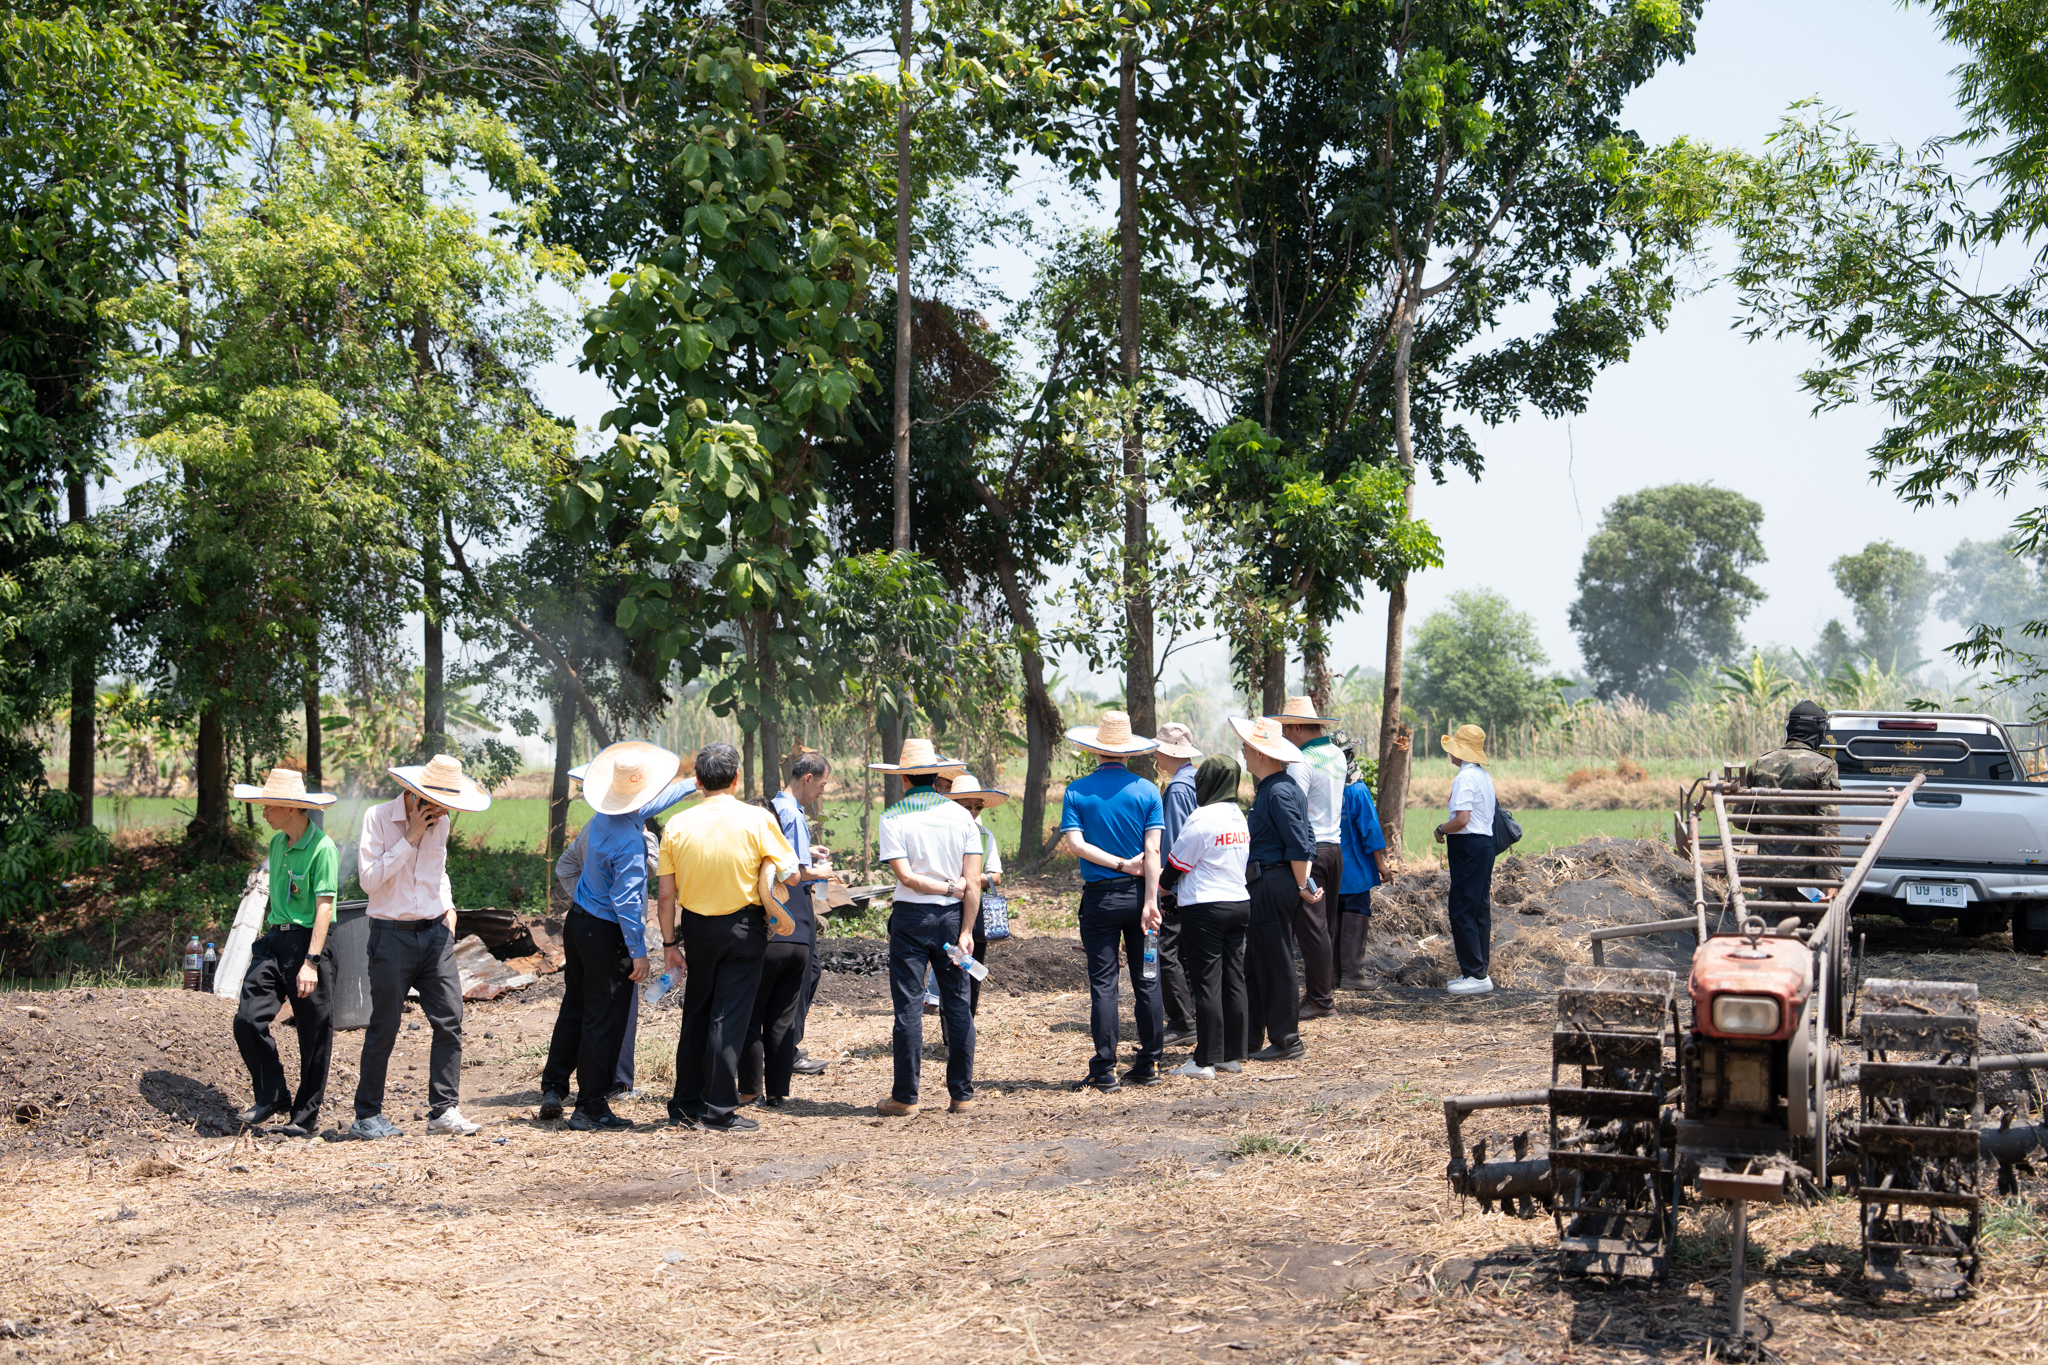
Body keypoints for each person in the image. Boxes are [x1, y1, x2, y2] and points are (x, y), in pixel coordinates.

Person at [541, 743, 692, 1131]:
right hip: (606, 933)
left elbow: (659, 799)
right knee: (602, 1019)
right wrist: (638, 952)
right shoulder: (629, 841)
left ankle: (568, 1091)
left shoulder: (607, 817)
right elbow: (628, 903)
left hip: (579, 923)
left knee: (581, 1006)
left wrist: (694, 783)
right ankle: (590, 1106)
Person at [657, 742, 798, 1134]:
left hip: (697, 928)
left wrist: (670, 945)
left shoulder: (677, 825)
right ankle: (719, 1109)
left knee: (697, 1013)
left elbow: (666, 895)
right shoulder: (757, 820)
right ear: (736, 779)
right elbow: (792, 876)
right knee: (728, 1016)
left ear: (698, 781)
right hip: (743, 928)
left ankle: (685, 1105)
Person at [352, 753, 491, 1139]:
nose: (443, 809)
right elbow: (369, 881)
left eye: (447, 802)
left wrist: (448, 909)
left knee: (450, 1018)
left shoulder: (442, 823)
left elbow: (437, 870)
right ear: (413, 793)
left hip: (435, 933)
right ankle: (367, 1115)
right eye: (436, 800)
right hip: (390, 934)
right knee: (385, 1024)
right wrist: (410, 836)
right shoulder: (378, 818)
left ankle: (443, 1111)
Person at [229, 767, 339, 1137]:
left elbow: (324, 907)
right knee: (247, 1019)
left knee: (314, 1033)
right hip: (276, 941)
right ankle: (273, 1094)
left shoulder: (322, 849)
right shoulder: (277, 845)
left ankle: (304, 1118)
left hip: (310, 943)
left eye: (268, 806)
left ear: (291, 809)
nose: (263, 812)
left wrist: (311, 961)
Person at [873, 739, 981, 1117]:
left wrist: (946, 887)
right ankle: (962, 1095)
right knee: (958, 1005)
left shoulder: (893, 817)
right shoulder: (961, 817)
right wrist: (967, 930)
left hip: (911, 920)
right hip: (953, 919)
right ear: (938, 776)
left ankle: (906, 1097)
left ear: (904, 778)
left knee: (908, 1007)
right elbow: (974, 883)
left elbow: (908, 877)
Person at [1059, 711, 1165, 1092]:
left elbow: (1077, 846)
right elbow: (1153, 850)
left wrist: (1117, 864)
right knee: (1147, 979)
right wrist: (1151, 899)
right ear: (1128, 753)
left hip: (1100, 900)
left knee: (1104, 985)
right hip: (1140, 898)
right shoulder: (1148, 791)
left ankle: (1105, 1069)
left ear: (1096, 750)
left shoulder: (1077, 790)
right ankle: (1150, 1062)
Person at [738, 751, 832, 1107]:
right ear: (807, 778)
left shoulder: (778, 810)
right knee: (779, 1013)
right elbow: (789, 871)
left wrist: (805, 854)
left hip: (775, 926)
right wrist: (815, 870)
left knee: (755, 1013)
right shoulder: (791, 812)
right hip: (792, 919)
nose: (821, 791)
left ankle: (749, 1090)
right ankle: (777, 1091)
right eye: (822, 784)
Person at [1233, 715, 1316, 1061]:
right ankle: (1249, 1038)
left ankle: (1286, 1039)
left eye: (1247, 748)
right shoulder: (1278, 787)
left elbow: (1300, 844)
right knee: (1255, 962)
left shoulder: (1279, 791)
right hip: (1267, 882)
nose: (1243, 753)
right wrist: (1303, 883)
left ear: (1262, 754)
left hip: (1273, 882)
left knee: (1277, 962)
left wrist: (1302, 885)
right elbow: (1306, 837)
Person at [1166, 756, 1251, 1080]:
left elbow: (1177, 864)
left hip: (1205, 907)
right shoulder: (1237, 815)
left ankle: (1203, 1061)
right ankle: (1231, 1055)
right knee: (1233, 978)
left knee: (1206, 982)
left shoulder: (1202, 817)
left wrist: (1160, 886)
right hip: (1239, 903)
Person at [1272, 697, 1345, 1020]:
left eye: (1286, 730)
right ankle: (1322, 992)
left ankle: (1320, 999)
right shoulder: (1337, 754)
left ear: (1297, 728)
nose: (1285, 737)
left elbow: (1293, 811)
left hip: (1310, 850)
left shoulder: (1302, 762)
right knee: (1324, 926)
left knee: (1311, 928)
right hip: (1334, 848)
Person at [1740, 700, 1842, 905]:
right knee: (1822, 926)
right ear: (1818, 731)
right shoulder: (1823, 765)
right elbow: (1827, 827)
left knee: (1767, 928)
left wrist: (1774, 826)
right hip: (1807, 872)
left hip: (1769, 870)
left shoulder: (1760, 763)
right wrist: (1831, 878)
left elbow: (1741, 818)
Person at [1433, 724, 1499, 996]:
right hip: (1484, 844)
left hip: (1467, 845)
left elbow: (1462, 820)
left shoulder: (1464, 778)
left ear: (1459, 752)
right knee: (1478, 907)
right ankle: (1478, 969)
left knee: (1461, 907)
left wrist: (1440, 828)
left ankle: (1475, 973)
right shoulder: (1483, 776)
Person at [1336, 732, 1401, 990]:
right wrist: (1381, 865)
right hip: (1355, 870)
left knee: (1332, 919)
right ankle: (1352, 975)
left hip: (1329, 870)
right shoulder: (1358, 790)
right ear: (1350, 756)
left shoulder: (1323, 789)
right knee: (1356, 913)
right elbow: (1371, 831)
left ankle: (1332, 975)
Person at [1153, 722, 1202, 1046]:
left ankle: (1182, 1020)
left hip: (1180, 882)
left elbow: (1173, 841)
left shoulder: (1177, 789)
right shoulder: (1196, 780)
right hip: (1201, 882)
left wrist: (1165, 887)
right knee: (1189, 952)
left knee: (1165, 950)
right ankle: (1194, 1013)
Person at [943, 772, 1006, 1016]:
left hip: (974, 908)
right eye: (965, 806)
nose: (972, 812)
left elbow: (995, 876)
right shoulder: (941, 832)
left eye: (976, 807)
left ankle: (967, 1022)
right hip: (946, 908)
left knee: (972, 967)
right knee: (949, 970)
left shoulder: (984, 835)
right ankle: (951, 1032)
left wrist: (967, 880)